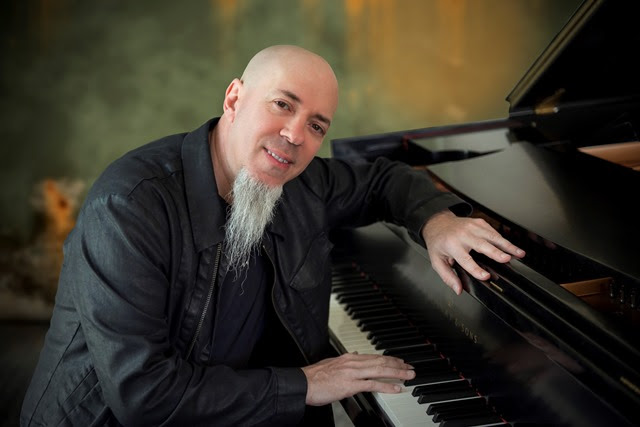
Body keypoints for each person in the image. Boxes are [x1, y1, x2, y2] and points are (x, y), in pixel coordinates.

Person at [21, 45, 524, 426]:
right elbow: (142, 396)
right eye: (282, 104)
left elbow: (382, 180)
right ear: (234, 98)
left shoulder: (300, 180)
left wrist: (437, 221)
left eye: (317, 126)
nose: (295, 135)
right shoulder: (129, 207)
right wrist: (303, 384)